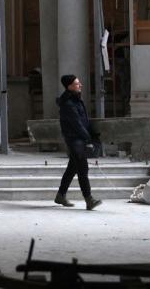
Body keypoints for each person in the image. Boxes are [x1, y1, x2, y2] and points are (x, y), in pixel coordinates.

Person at [54, 74, 102, 209]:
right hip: (75, 141)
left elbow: (84, 121)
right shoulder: (69, 104)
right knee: (83, 169)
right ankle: (89, 200)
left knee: (72, 169)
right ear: (69, 86)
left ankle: (60, 195)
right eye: (77, 83)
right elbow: (77, 124)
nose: (80, 85)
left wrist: (91, 133)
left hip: (77, 139)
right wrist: (88, 139)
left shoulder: (75, 100)